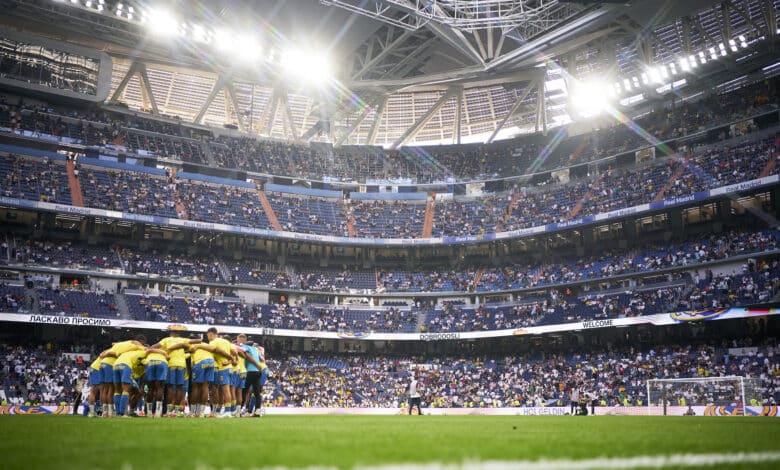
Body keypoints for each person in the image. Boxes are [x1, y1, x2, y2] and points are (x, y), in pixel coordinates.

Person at [100, 336, 146, 417]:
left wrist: (105, 353)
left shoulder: (124, 349)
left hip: (115, 365)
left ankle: (117, 413)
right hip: (125, 365)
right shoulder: (141, 349)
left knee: (117, 390)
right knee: (125, 390)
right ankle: (123, 413)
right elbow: (148, 350)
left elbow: (109, 351)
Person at [238, 336, 267, 417]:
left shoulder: (245, 347)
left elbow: (245, 354)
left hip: (250, 371)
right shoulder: (256, 350)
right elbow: (262, 360)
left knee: (244, 391)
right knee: (257, 392)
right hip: (258, 372)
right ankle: (257, 411)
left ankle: (239, 411)